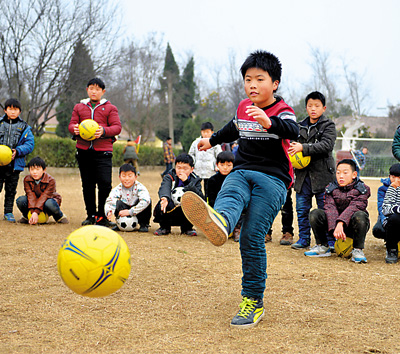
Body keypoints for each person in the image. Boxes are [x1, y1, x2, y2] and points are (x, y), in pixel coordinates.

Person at [180, 50, 299, 328]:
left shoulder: (283, 110)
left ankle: (253, 302)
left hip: (274, 178)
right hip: (243, 169)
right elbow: (233, 128)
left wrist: (270, 123)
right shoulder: (244, 106)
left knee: (251, 237)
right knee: (230, 191)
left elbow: (293, 130)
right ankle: (220, 221)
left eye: (260, 79)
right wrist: (213, 141)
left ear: (275, 83)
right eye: (248, 79)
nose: (253, 85)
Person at [68, 78, 121, 227]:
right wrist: (75, 129)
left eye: (97, 89)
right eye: (91, 88)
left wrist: (103, 131)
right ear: (87, 90)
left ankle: (102, 217)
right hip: (83, 151)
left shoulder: (110, 108)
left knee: (105, 184)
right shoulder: (79, 107)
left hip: (103, 152)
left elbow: (117, 127)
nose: (94, 91)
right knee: (88, 185)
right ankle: (90, 215)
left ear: (103, 92)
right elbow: (71, 124)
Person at [289, 91, 336, 250]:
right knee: (302, 209)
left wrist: (303, 147)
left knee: (325, 210)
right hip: (303, 176)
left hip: (323, 175)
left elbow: (326, 146)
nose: (313, 109)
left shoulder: (328, 125)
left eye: (317, 106)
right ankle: (303, 239)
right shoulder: (298, 126)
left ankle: (329, 240)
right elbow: (291, 145)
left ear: (324, 108)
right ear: (306, 108)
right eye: (310, 106)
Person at [306, 159, 370, 263]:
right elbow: (330, 207)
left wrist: (340, 223)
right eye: (338, 172)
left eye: (345, 173)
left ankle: (357, 250)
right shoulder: (330, 188)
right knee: (315, 214)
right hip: (334, 227)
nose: (341, 176)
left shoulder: (363, 189)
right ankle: (322, 246)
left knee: (360, 215)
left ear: (354, 174)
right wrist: (335, 226)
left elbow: (354, 207)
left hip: (352, 226)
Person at [0, 98, 34, 222]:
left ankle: (8, 212)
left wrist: (18, 151)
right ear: (5, 110)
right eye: (10, 109)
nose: (13, 112)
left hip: (14, 166)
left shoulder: (24, 127)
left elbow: (30, 144)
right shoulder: (0, 124)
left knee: (10, 190)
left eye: (15, 109)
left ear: (20, 111)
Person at [153, 153, 204, 236]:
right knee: (162, 203)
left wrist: (187, 182)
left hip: (186, 210)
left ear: (191, 169)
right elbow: (165, 187)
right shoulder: (170, 176)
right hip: (171, 207)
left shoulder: (195, 180)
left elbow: (200, 197)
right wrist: (165, 198)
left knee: (194, 205)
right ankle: (164, 227)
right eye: (179, 168)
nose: (181, 171)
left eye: (185, 168)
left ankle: (187, 228)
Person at [16, 157, 69, 224]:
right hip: (33, 202)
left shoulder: (51, 180)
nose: (34, 172)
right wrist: (32, 211)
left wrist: (36, 212)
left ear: (44, 170)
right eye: (32, 169)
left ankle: (59, 216)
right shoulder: (27, 179)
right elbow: (30, 195)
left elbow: (45, 196)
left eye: (37, 169)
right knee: (21, 200)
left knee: (49, 203)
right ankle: (27, 216)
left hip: (48, 201)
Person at [105, 163, 151, 232]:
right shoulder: (118, 189)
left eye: (130, 176)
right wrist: (109, 211)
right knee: (118, 202)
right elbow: (111, 199)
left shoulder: (140, 187)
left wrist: (130, 212)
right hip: (124, 209)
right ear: (119, 177)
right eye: (124, 176)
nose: (127, 179)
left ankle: (144, 224)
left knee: (147, 201)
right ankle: (120, 223)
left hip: (137, 210)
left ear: (135, 177)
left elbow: (146, 200)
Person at [206, 151, 238, 240]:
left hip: (233, 209)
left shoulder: (236, 180)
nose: (225, 168)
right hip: (218, 210)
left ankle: (236, 229)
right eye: (222, 164)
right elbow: (210, 198)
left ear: (233, 165)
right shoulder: (212, 180)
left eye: (229, 165)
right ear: (217, 165)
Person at [189, 122, 222, 196]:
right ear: (201, 132)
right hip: (198, 169)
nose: (206, 134)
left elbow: (219, 156)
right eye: (204, 132)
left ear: (212, 132)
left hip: (210, 170)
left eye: (208, 132)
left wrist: (217, 166)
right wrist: (193, 164)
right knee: (197, 188)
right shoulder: (195, 143)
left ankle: (208, 204)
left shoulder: (215, 143)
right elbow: (191, 154)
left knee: (209, 189)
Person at [381, 163, 400, 263]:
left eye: (399, 177)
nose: (396, 180)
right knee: (394, 218)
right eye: (393, 177)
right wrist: (392, 189)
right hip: (394, 221)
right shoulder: (390, 189)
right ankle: (391, 250)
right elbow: (385, 209)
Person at [372, 175, 392, 240]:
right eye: (393, 177)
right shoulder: (382, 189)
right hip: (388, 215)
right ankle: (389, 241)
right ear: (390, 176)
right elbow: (381, 207)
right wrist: (384, 221)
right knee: (378, 230)